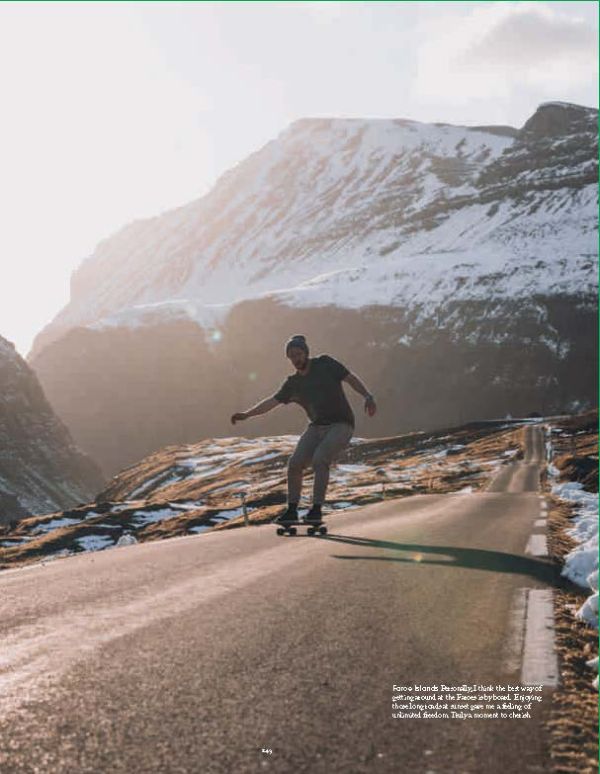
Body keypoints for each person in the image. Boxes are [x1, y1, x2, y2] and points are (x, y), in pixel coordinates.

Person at [230, 334, 377, 523]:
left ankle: (316, 510)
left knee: (320, 459)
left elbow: (350, 378)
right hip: (316, 427)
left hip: (341, 424)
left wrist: (368, 396)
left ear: (306, 353)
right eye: (291, 356)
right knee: (295, 463)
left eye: (298, 354)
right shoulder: (293, 383)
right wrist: (247, 414)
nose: (296, 359)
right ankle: (292, 511)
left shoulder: (325, 364)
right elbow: (271, 402)